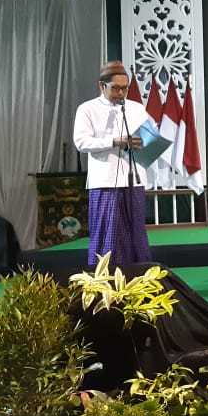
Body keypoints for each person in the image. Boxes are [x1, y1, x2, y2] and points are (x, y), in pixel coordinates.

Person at [72, 61, 154, 265]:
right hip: (105, 182)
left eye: (125, 88)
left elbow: (151, 137)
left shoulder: (136, 108)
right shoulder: (87, 109)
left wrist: (144, 142)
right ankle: (103, 281)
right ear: (102, 86)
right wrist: (114, 142)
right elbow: (81, 142)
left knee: (135, 232)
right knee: (106, 232)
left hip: (133, 180)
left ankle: (139, 277)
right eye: (116, 88)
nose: (121, 93)